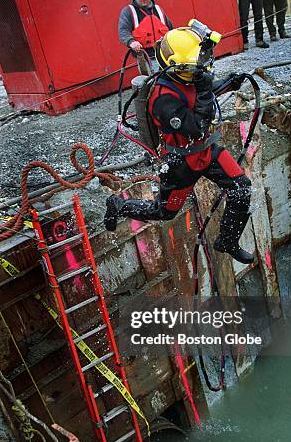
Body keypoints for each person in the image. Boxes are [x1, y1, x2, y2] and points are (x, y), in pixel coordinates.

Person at [104, 25, 254, 264]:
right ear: (177, 65)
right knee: (164, 212)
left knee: (241, 188)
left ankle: (228, 240)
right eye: (194, 69)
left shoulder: (187, 74)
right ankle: (119, 205)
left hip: (205, 151)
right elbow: (197, 126)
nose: (199, 72)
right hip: (181, 162)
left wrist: (228, 83)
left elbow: (201, 91)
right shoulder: (163, 98)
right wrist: (206, 90)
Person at [118, 0, 173, 67]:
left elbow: (171, 29)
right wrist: (131, 42)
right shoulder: (128, 12)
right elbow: (123, 31)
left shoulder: (158, 10)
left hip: (165, 56)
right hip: (146, 59)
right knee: (155, 81)